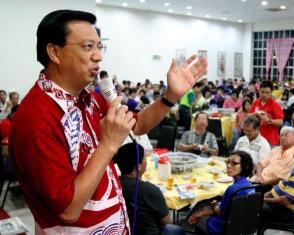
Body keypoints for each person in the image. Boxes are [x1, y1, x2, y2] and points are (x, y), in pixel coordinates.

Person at [9, 10, 207, 234]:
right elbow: (68, 210)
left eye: (99, 46)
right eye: (87, 47)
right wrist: (108, 145)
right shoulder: (36, 117)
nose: (98, 56)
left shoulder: (88, 98)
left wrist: (170, 96)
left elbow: (136, 125)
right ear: (54, 52)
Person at [115, 142, 185, 235]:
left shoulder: (114, 184)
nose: (146, 159)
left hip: (124, 230)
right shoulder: (149, 190)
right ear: (138, 166)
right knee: (178, 230)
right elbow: (166, 220)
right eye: (144, 157)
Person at [188, 151, 254, 235]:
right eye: (228, 162)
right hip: (243, 227)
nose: (229, 166)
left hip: (222, 227)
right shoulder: (251, 186)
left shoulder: (233, 189)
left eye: (234, 163)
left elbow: (220, 212)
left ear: (245, 166)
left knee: (200, 219)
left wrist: (215, 204)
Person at [248, 80, 284, 146]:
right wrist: (256, 113)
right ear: (259, 91)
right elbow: (248, 116)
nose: (264, 94)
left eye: (267, 93)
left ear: (271, 93)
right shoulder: (256, 102)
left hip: (270, 139)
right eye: (262, 92)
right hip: (256, 138)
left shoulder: (274, 104)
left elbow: (280, 122)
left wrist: (268, 120)